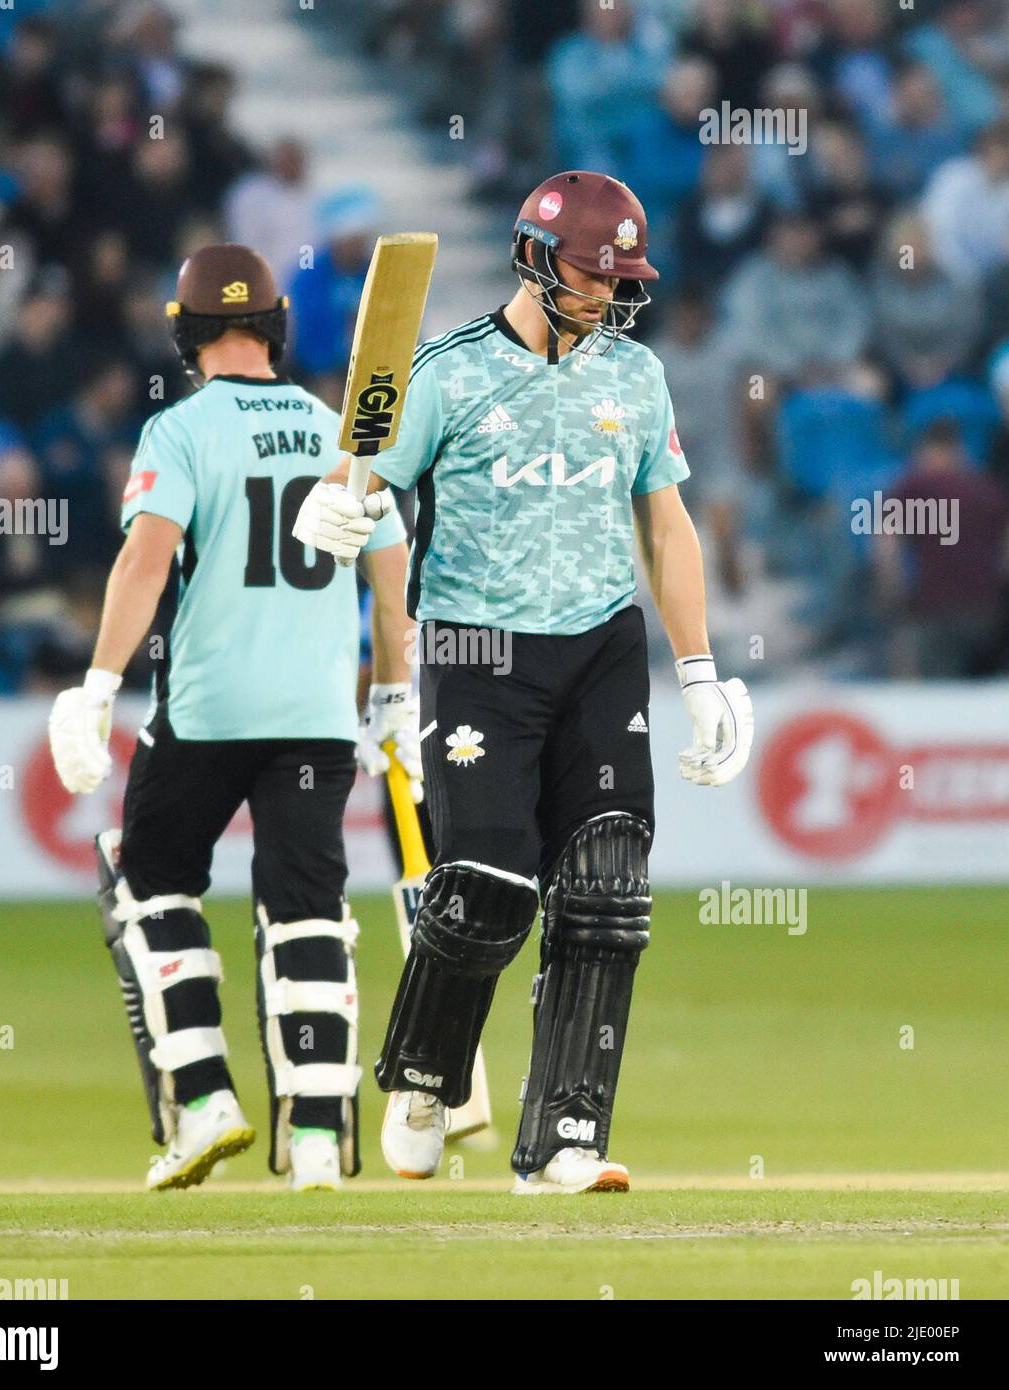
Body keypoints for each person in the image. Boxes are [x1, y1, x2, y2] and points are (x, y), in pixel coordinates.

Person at [294, 172, 754, 1195]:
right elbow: (359, 486)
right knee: (485, 892)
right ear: (538, 261)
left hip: (597, 643)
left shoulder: (634, 377)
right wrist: (329, 516)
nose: (610, 296)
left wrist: (699, 666)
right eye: (595, 276)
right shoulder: (446, 375)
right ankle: (424, 1077)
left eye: (620, 278)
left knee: (605, 891)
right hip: (476, 647)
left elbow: (664, 524)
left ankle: (565, 1138)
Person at [46, 244, 417, 1192]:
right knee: (307, 912)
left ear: (185, 331)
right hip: (316, 715)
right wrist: (392, 695)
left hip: (209, 709)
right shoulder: (342, 428)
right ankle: (324, 1137)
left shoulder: (180, 431)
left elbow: (145, 561)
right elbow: (391, 576)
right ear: (277, 325)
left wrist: (97, 682)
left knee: (152, 881)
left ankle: (207, 1100)